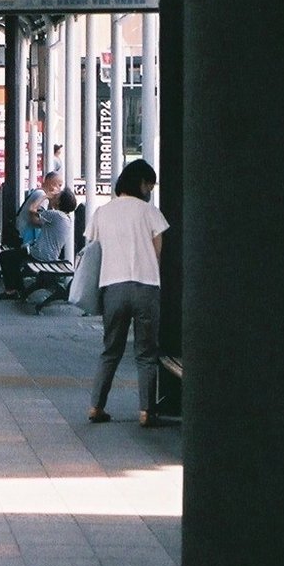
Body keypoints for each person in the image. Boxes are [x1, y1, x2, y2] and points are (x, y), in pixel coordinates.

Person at [86, 159, 169, 428]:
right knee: (146, 353)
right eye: (150, 184)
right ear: (142, 183)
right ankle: (146, 411)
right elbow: (158, 251)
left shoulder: (102, 212)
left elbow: (93, 251)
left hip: (114, 287)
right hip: (146, 286)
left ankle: (96, 406)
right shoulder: (150, 212)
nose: (150, 190)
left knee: (110, 350)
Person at [0, 171, 63, 295]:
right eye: (59, 184)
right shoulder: (42, 195)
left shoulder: (38, 192)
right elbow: (36, 219)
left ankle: (14, 290)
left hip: (25, 238)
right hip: (25, 237)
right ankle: (16, 289)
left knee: (8, 257)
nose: (60, 188)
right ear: (51, 183)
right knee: (10, 257)